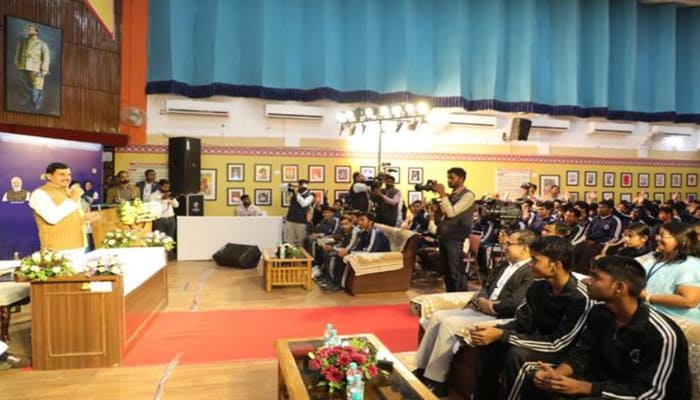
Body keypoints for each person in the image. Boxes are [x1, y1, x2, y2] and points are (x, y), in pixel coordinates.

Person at [523, 256, 691, 400]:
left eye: (595, 277)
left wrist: (584, 387)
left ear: (619, 288)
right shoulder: (599, 313)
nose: (586, 281)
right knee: (538, 383)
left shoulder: (662, 334)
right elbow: (582, 353)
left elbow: (652, 393)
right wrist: (557, 375)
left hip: (635, 394)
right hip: (604, 384)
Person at [413, 230, 537, 396]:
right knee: (437, 317)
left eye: (510, 244)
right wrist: (481, 301)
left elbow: (516, 302)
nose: (505, 246)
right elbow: (486, 287)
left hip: (501, 316)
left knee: (450, 323)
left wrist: (492, 307)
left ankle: (436, 380)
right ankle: (422, 368)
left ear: (525, 248)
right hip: (483, 309)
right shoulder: (504, 264)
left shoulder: (531, 271)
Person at [470, 236, 592, 400]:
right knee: (490, 342)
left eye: (535, 260)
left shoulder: (580, 297)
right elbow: (522, 323)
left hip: (564, 353)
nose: (530, 264)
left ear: (556, 265)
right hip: (541, 341)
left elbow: (559, 344)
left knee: (518, 355)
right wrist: (495, 331)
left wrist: (503, 335)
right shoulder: (537, 286)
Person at [638, 221, 700, 322]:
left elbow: (689, 301)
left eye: (663, 235)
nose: (657, 238)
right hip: (649, 315)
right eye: (658, 234)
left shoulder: (692, 265)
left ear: (682, 240)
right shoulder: (654, 259)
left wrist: (649, 297)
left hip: (676, 321)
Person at [29, 162, 91, 251]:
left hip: (80, 246)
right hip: (57, 250)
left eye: (69, 174)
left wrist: (86, 219)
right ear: (49, 176)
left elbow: (71, 216)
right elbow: (52, 218)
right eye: (62, 174)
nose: (67, 178)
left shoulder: (70, 192)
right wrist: (73, 198)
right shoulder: (39, 193)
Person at [433, 167, 477, 292]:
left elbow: (451, 213)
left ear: (461, 179)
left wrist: (442, 195)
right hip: (445, 236)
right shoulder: (452, 196)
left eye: (452, 178)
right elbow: (444, 216)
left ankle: (460, 297)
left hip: (456, 238)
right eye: (448, 178)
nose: (449, 180)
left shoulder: (468, 195)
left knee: (456, 271)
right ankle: (450, 296)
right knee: (447, 271)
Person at [315, 214, 361, 292]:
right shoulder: (342, 230)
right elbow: (341, 242)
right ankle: (326, 277)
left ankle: (335, 283)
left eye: (346, 224)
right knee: (326, 252)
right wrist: (332, 247)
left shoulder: (355, 231)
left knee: (332, 256)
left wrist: (333, 248)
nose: (344, 226)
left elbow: (349, 247)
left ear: (351, 223)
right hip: (343, 249)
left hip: (353, 251)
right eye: (342, 224)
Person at [14, 24, 50, 110]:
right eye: (28, 29)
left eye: (31, 29)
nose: (28, 30)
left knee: (37, 86)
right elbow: (18, 53)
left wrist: (44, 70)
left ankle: (36, 103)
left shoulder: (42, 44)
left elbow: (46, 58)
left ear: (36, 31)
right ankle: (31, 102)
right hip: (23, 66)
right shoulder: (22, 42)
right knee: (26, 85)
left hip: (36, 68)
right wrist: (17, 63)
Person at [284, 179, 314, 246]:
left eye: (302, 184)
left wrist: (297, 194)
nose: (300, 186)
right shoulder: (293, 193)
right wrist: (289, 184)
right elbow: (282, 188)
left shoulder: (310, 196)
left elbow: (303, 204)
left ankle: (301, 252)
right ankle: (290, 252)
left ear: (306, 186)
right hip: (290, 220)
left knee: (301, 241)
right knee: (289, 240)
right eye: (299, 184)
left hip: (301, 221)